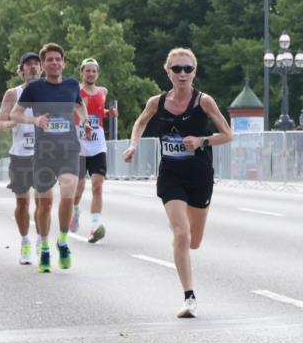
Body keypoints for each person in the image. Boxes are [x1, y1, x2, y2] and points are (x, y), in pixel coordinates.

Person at [123, 48, 232, 319]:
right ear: (167, 71)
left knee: (194, 241)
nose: (182, 74)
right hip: (171, 175)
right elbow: (140, 123)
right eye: (177, 69)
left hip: (199, 175)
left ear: (194, 72)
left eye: (187, 69)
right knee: (181, 234)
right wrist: (133, 145)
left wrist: (201, 141)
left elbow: (227, 135)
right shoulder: (156, 102)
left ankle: (182, 234)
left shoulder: (203, 102)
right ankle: (189, 297)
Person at [10, 43, 93, 273]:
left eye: (58, 59)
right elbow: (14, 113)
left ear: (64, 63)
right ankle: (44, 245)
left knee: (67, 196)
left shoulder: (71, 84)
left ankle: (63, 241)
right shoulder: (35, 88)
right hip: (44, 154)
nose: (54, 63)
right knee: (45, 203)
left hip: (68, 151)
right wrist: (34, 121)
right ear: (44, 65)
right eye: (49, 60)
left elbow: (80, 105)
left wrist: (85, 122)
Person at [0, 52, 43, 263]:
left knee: (44, 203)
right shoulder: (12, 94)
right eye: (28, 65)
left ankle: (42, 240)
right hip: (20, 155)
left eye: (35, 64)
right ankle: (25, 241)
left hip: (44, 155)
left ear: (41, 69)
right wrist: (10, 124)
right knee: (23, 203)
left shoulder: (49, 93)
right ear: (21, 70)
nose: (32, 67)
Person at [72, 58, 117, 242]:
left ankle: (94, 226)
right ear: (81, 72)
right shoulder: (75, 91)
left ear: (97, 73)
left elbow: (98, 112)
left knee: (98, 186)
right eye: (87, 71)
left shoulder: (102, 91)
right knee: (79, 187)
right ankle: (75, 209)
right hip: (80, 146)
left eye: (94, 71)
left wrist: (108, 113)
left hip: (98, 145)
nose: (90, 74)